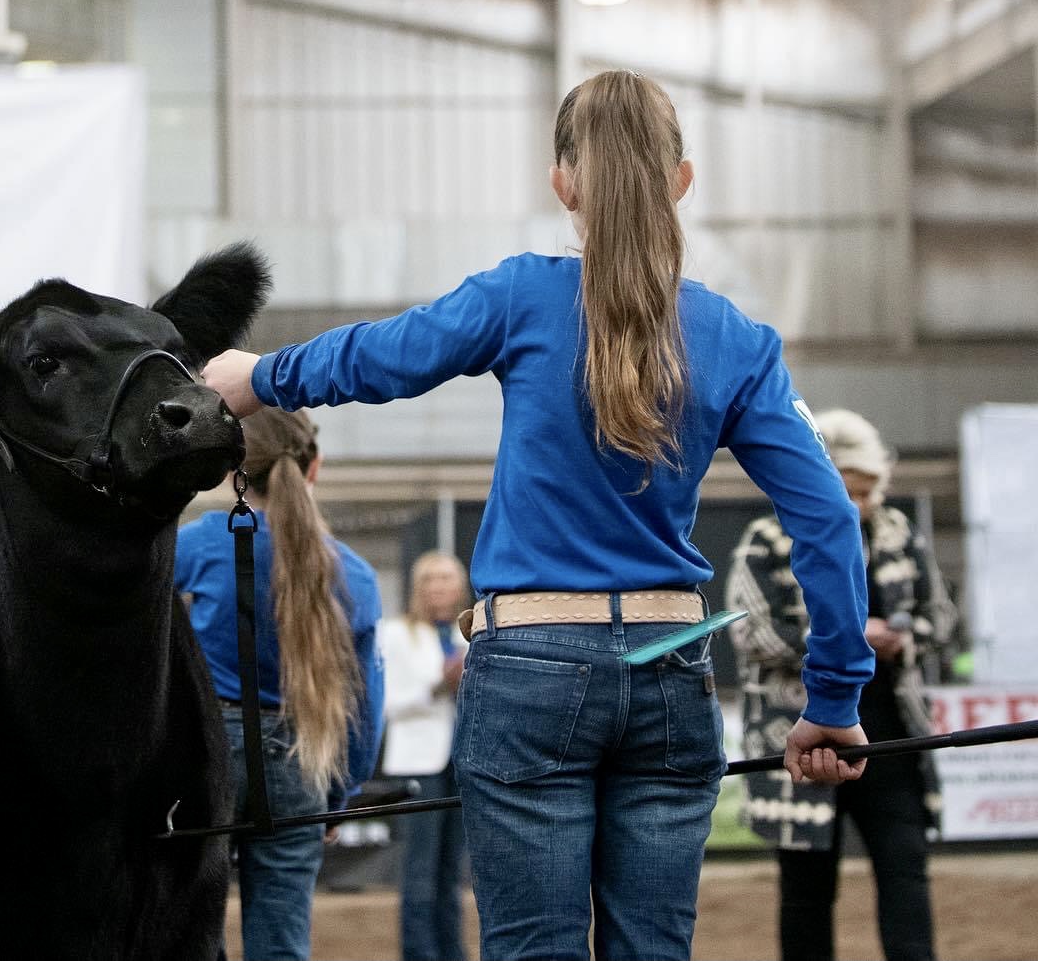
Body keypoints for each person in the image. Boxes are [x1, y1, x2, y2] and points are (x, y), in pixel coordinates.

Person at [202, 68, 875, 961]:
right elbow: (827, 518)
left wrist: (262, 376)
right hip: (673, 670)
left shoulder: (520, 295)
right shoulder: (741, 342)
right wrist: (835, 696)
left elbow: (387, 356)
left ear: (564, 183)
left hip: (532, 670)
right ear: (682, 179)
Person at [728, 408, 956, 961]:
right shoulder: (766, 537)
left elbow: (942, 617)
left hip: (892, 737)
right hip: (799, 736)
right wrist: (843, 639)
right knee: (806, 887)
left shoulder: (901, 534)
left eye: (866, 491)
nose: (856, 504)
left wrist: (904, 639)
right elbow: (751, 630)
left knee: (906, 867)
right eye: (845, 489)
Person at [174, 407, 385, 961]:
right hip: (301, 758)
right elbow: (364, 705)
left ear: (234, 473)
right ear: (312, 469)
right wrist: (342, 794)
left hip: (205, 758)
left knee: (194, 934)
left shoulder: (199, 543)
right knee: (283, 939)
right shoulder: (353, 572)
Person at [379, 550, 471, 961]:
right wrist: (437, 686)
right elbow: (386, 704)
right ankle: (420, 954)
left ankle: (452, 952)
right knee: (420, 871)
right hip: (419, 764)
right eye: (431, 578)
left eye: (447, 578)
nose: (439, 586)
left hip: (462, 762)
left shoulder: (466, 633)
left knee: (452, 872)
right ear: (418, 586)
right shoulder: (394, 634)